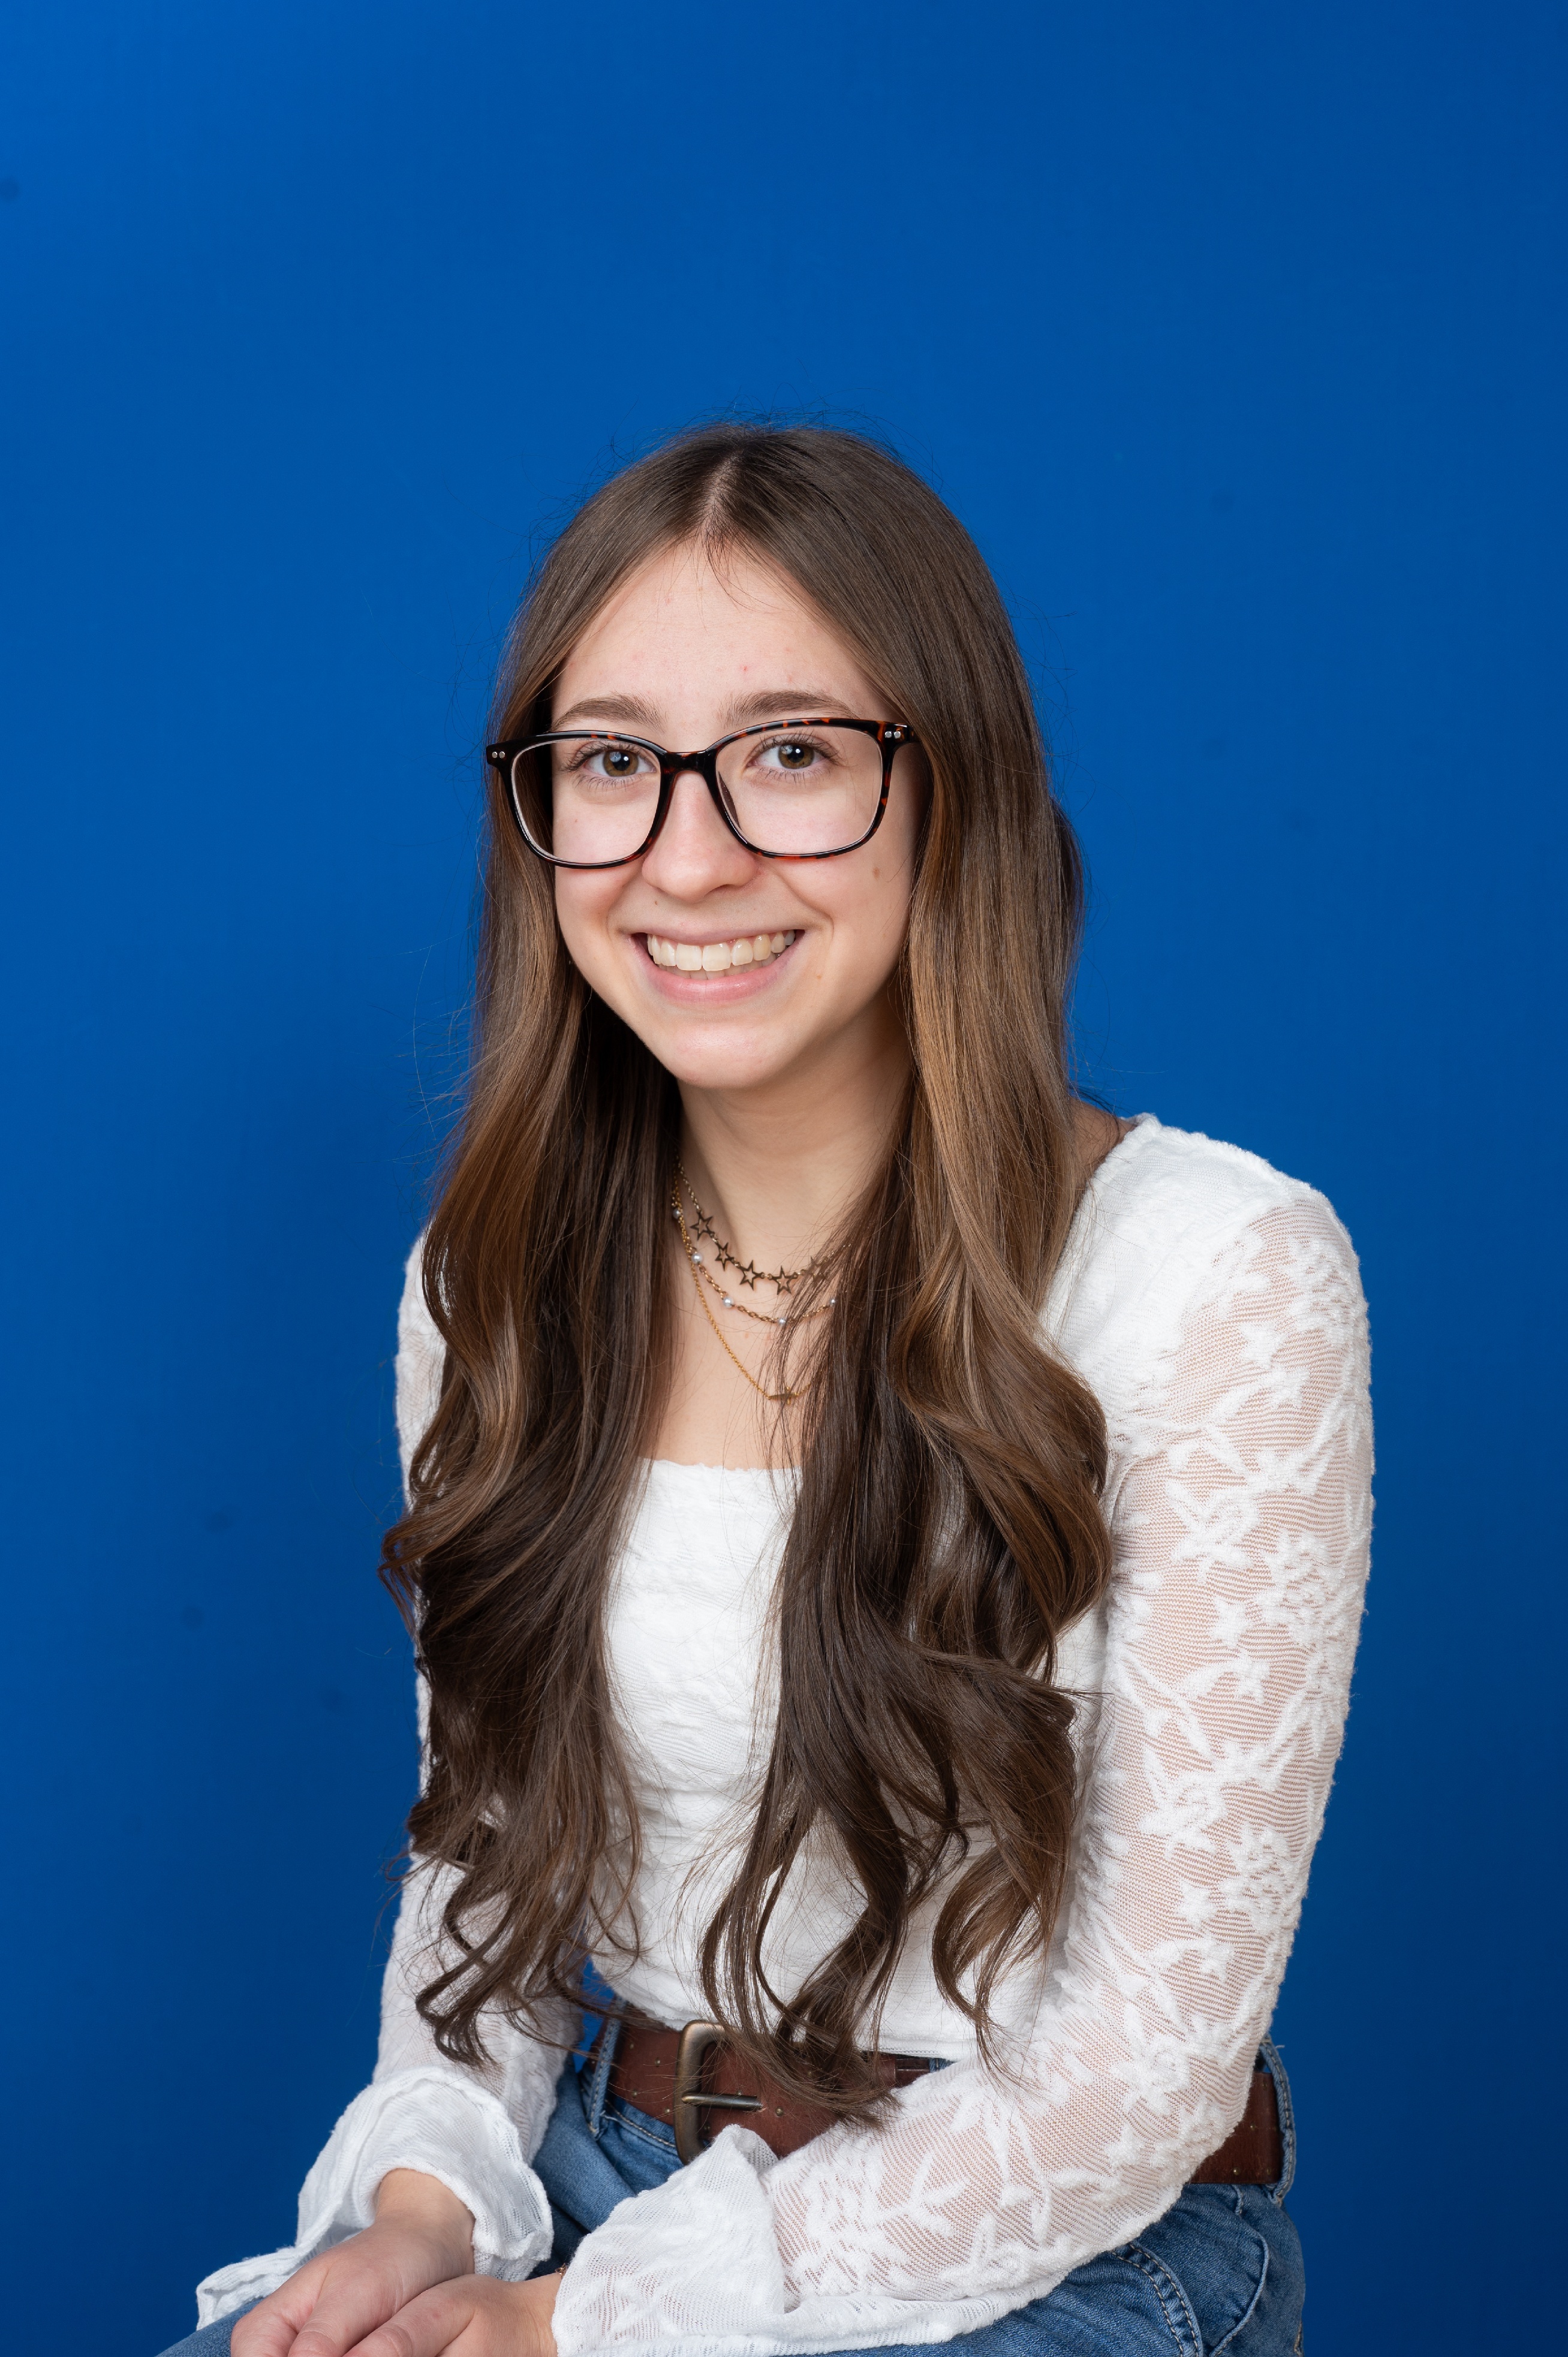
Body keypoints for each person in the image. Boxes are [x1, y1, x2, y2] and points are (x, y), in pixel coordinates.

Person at [159, 425, 1371, 2357]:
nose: (688, 854)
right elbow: (492, 1854)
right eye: (612, 761)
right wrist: (423, 2207)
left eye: (792, 753)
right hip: (599, 2172)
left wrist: (578, 2324)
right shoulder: (493, 1281)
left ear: (951, 790)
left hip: (1058, 2250)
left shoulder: (1213, 1271)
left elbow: (1138, 2072)